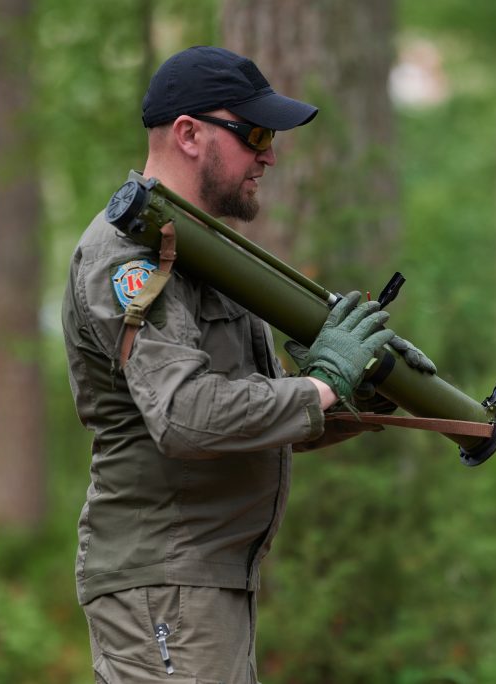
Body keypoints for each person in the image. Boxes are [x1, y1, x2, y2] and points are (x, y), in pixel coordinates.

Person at [62, 46, 425, 682]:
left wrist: (351, 391)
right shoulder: (130, 259)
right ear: (189, 134)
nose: (270, 155)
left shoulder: (198, 250)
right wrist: (320, 388)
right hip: (164, 585)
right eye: (254, 133)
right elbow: (184, 417)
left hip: (202, 582)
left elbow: (241, 415)